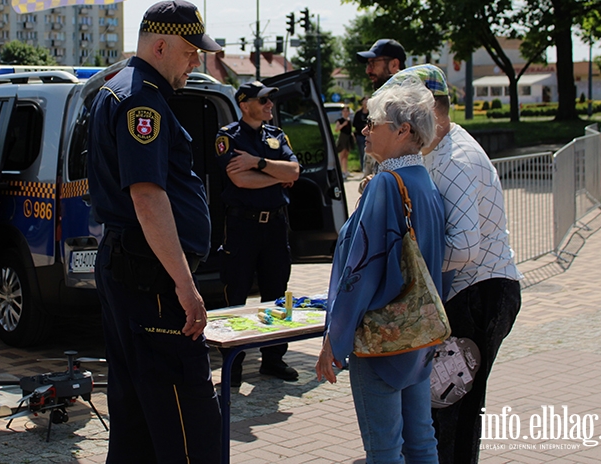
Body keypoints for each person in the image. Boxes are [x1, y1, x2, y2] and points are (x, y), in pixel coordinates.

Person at [87, 0, 223, 463]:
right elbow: (148, 198)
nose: (194, 63)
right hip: (153, 280)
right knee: (189, 426)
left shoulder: (119, 89)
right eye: (189, 53)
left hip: (133, 270)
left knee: (137, 419)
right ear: (161, 45)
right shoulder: (141, 101)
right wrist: (187, 288)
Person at [383, 65, 523, 464]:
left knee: (454, 410)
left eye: (402, 113)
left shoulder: (457, 160)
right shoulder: (438, 148)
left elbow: (463, 247)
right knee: (446, 407)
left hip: (480, 293)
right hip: (468, 290)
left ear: (425, 109)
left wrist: (408, 264)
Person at [316, 79, 445, 463]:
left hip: (382, 341)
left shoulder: (388, 185)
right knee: (422, 441)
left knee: (384, 449)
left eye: (373, 123)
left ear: (403, 130)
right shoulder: (422, 182)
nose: (364, 130)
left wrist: (335, 342)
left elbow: (361, 272)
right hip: (419, 336)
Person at [214, 80, 301, 386]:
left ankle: (273, 359)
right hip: (243, 226)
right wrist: (275, 175)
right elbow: (240, 181)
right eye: (263, 101)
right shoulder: (228, 136)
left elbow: (294, 171)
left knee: (276, 294)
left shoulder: (276, 135)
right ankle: (234, 365)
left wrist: (259, 163)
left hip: (275, 226)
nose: (269, 106)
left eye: (269, 101)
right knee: (235, 296)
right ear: (244, 104)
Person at [352, 97, 372, 175]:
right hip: (360, 135)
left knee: (370, 152)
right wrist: (362, 126)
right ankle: (363, 169)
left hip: (370, 135)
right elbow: (354, 124)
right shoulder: (358, 113)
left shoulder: (371, 113)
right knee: (362, 152)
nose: (366, 102)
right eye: (365, 100)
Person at [334, 105, 353, 178]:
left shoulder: (349, 120)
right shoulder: (340, 120)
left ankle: (345, 171)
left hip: (348, 138)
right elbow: (336, 129)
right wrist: (343, 125)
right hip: (342, 137)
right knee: (341, 155)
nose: (345, 112)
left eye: (347, 111)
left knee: (346, 155)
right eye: (344, 111)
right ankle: (339, 171)